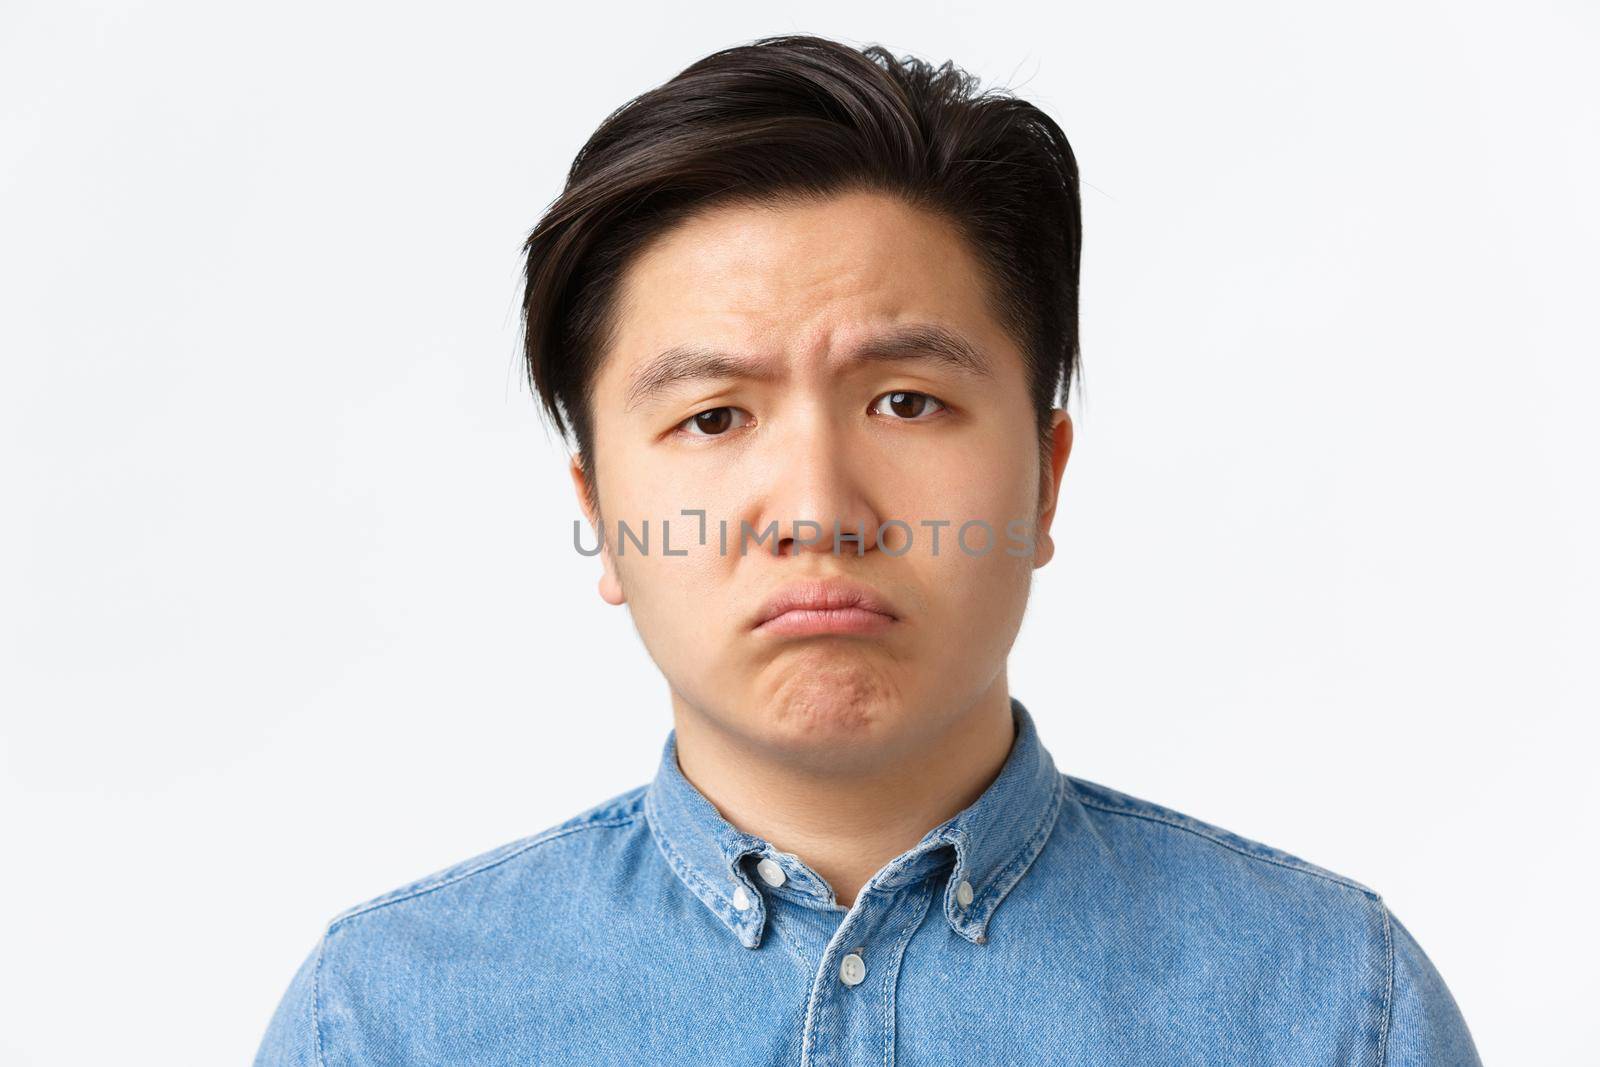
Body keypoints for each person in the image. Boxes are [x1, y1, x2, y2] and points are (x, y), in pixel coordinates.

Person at [254, 33, 1480, 1065]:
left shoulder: (1327, 1004)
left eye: (904, 401)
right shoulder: (388, 1017)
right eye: (713, 415)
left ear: (1045, 474)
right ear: (601, 505)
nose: (818, 506)